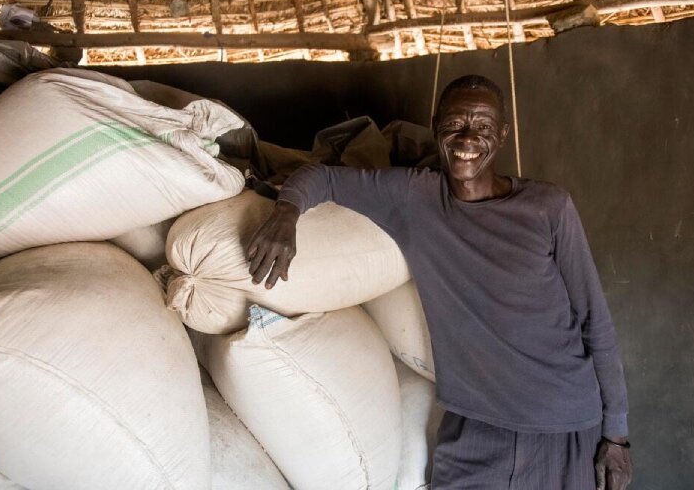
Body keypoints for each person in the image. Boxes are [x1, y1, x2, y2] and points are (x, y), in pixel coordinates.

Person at [247, 74, 633, 490]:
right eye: (455, 124)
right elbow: (320, 177)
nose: (468, 138)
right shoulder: (415, 198)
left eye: (483, 127)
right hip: (474, 430)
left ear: (501, 135)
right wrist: (286, 214)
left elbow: (596, 321)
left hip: (565, 423)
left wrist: (617, 435)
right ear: (436, 128)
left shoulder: (548, 208)